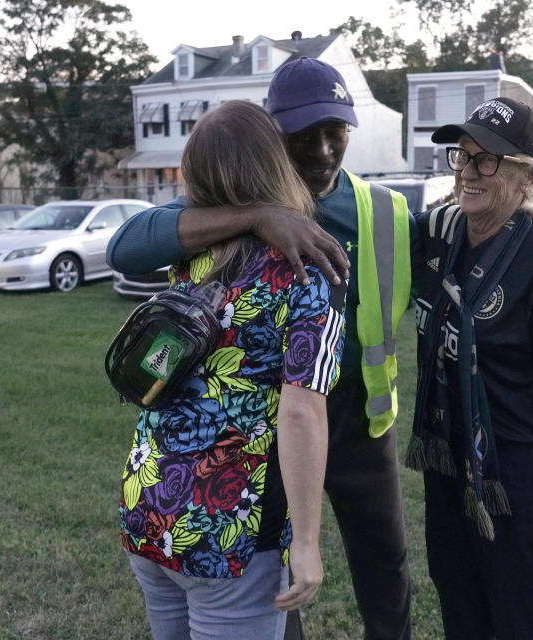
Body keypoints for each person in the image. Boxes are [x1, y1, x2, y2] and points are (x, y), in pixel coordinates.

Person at [109, 58, 415, 640]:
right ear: (272, 142)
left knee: (382, 565)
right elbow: (125, 245)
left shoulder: (383, 211)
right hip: (260, 441)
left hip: (346, 421)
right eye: (305, 137)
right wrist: (259, 215)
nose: (325, 150)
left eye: (337, 133)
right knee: (270, 579)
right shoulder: (221, 223)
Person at [118, 100, 347, 639]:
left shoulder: (190, 258)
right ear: (276, 164)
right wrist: (307, 545)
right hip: (231, 534)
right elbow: (302, 414)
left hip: (149, 505)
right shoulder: (307, 271)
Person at [407, 97, 533, 639]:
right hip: (449, 472)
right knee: (462, 618)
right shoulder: (444, 238)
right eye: (462, 156)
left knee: (522, 624)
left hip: (516, 485)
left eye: (486, 160)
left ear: (529, 176)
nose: (467, 172)